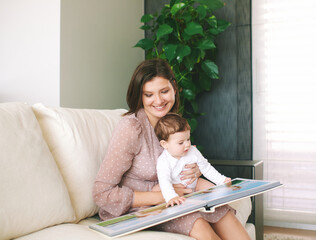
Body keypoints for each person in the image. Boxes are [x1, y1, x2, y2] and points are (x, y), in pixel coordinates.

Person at [93, 58, 251, 240]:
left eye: (164, 91)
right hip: (141, 207)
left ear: (174, 88)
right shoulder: (131, 128)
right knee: (198, 223)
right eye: (148, 95)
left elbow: (181, 159)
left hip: (178, 198)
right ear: (140, 96)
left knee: (222, 212)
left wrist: (195, 171)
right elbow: (101, 193)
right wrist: (162, 196)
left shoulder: (172, 122)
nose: (158, 100)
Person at [154, 113, 231, 207]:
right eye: (181, 142)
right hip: (176, 187)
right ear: (165, 144)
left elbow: (206, 168)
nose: (187, 144)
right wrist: (172, 196)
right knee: (157, 189)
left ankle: (216, 205)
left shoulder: (193, 151)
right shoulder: (163, 161)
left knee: (215, 190)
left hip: (195, 184)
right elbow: (164, 181)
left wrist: (221, 180)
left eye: (188, 139)